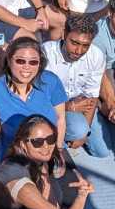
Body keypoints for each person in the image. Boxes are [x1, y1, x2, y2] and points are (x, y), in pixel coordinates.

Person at [0, 38, 67, 159]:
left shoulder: (50, 81)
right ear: (9, 60)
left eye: (33, 62)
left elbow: (60, 119)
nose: (27, 67)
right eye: (20, 61)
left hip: (52, 149)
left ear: (40, 63)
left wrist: (59, 152)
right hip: (17, 158)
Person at [42, 15, 109, 158]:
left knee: (101, 151)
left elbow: (91, 97)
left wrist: (84, 133)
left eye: (85, 45)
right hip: (51, 106)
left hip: (79, 104)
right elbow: (39, 100)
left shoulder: (96, 56)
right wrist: (69, 107)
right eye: (74, 43)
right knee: (76, 130)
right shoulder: (46, 54)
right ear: (64, 35)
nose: (79, 51)